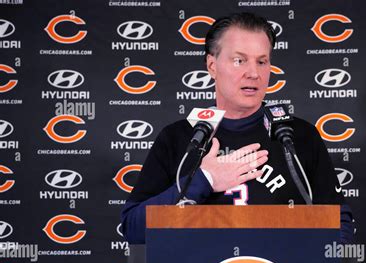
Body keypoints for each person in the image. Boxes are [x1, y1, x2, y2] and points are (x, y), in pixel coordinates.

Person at [121, 12, 354, 244]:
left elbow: (339, 225)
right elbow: (133, 229)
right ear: (212, 66)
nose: (254, 73)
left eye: (262, 61)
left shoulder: (297, 136)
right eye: (239, 60)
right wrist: (205, 180)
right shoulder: (179, 137)